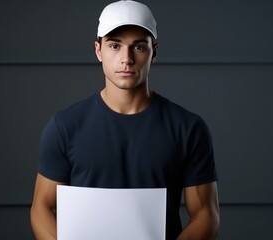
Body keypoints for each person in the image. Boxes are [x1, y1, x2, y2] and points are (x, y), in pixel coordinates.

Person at [30, 1, 220, 239]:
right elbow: (42, 207)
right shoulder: (65, 126)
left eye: (139, 47)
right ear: (98, 50)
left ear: (155, 52)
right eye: (115, 46)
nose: (127, 58)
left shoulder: (188, 128)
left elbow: (206, 214)